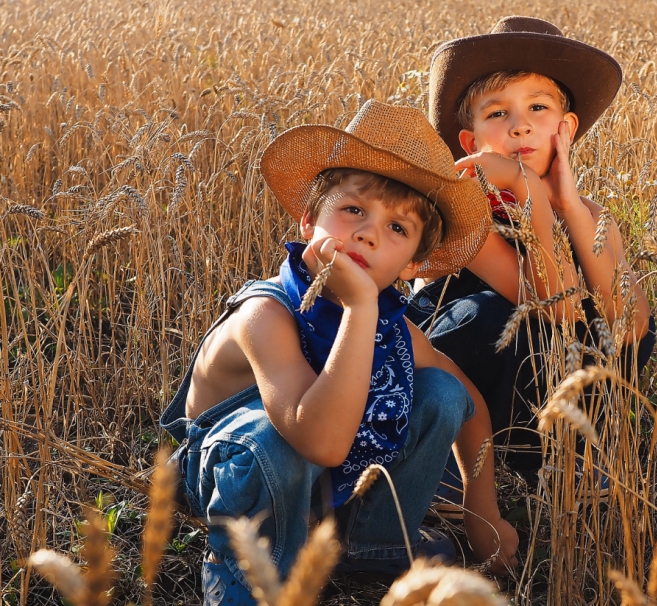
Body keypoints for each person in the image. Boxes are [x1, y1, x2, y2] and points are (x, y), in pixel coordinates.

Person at [159, 100, 518, 606]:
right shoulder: (266, 315)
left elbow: (468, 403)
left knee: (437, 391)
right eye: (354, 210)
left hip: (321, 474)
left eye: (397, 229)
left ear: (412, 265)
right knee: (272, 436)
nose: (369, 232)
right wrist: (359, 306)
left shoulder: (389, 324)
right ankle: (250, 582)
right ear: (309, 221)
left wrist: (486, 516)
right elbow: (319, 443)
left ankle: (374, 543)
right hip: (235, 477)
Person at [408, 16, 655, 488]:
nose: (519, 127)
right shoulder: (463, 214)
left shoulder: (588, 214)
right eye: (497, 114)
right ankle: (447, 467)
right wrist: (529, 192)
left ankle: (557, 455)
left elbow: (633, 324)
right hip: (459, 384)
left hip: (542, 394)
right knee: (495, 315)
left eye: (537, 108)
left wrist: (565, 205)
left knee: (618, 328)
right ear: (470, 142)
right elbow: (556, 303)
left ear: (566, 129)